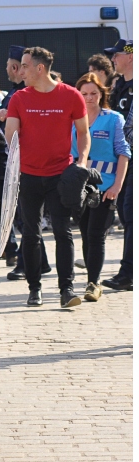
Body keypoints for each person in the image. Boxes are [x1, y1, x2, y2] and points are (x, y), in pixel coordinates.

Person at [5, 46, 94, 307]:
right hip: (29, 175)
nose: (20, 70)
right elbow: (10, 134)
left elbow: (83, 132)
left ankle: (66, 289)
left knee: (62, 231)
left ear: (39, 68)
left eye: (24, 65)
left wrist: (81, 162)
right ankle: (35, 289)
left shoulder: (71, 95)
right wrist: (13, 165)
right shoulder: (19, 98)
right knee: (31, 233)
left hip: (60, 174)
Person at [76, 74, 129, 302]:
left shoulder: (114, 118)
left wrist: (117, 185)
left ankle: (94, 282)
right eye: (84, 93)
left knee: (96, 235)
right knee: (86, 235)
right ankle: (91, 277)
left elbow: (123, 152)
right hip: (78, 187)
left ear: (102, 94)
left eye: (94, 93)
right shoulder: (72, 118)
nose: (89, 98)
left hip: (105, 186)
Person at [100, 39, 133, 292]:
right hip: (125, 160)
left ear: (131, 56)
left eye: (117, 55)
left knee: (131, 215)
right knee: (126, 213)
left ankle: (128, 273)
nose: (112, 59)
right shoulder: (120, 85)